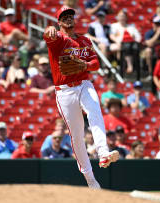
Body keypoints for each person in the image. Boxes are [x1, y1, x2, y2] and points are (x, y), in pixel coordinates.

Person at [43, 6, 119, 189]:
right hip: (64, 92)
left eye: (70, 16)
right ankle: (91, 181)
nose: (68, 18)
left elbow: (96, 64)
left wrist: (84, 65)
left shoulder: (84, 40)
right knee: (77, 137)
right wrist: (49, 31)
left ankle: (103, 153)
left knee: (95, 111)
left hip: (84, 84)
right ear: (59, 22)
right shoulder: (58, 39)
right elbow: (48, 35)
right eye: (64, 17)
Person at [143, 16, 160, 82]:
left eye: (159, 24)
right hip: (151, 52)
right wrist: (157, 34)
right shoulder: (149, 33)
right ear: (153, 24)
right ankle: (150, 73)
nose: (157, 26)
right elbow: (149, 44)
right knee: (148, 51)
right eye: (156, 24)